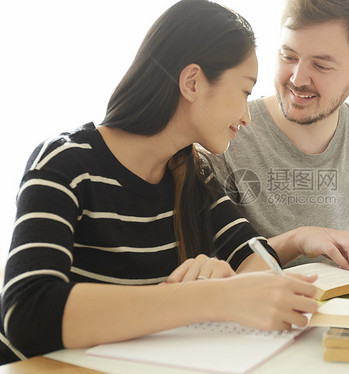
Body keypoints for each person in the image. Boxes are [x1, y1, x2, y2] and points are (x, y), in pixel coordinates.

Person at [0, 0, 321, 364]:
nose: (248, 117)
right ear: (193, 82)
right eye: (245, 92)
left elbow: (257, 259)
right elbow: (27, 314)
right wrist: (212, 297)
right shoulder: (64, 163)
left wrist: (226, 276)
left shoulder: (196, 176)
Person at [212, 0, 349, 267]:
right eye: (289, 57)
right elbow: (204, 263)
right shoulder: (225, 135)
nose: (297, 78)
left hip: (345, 305)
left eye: (321, 65)